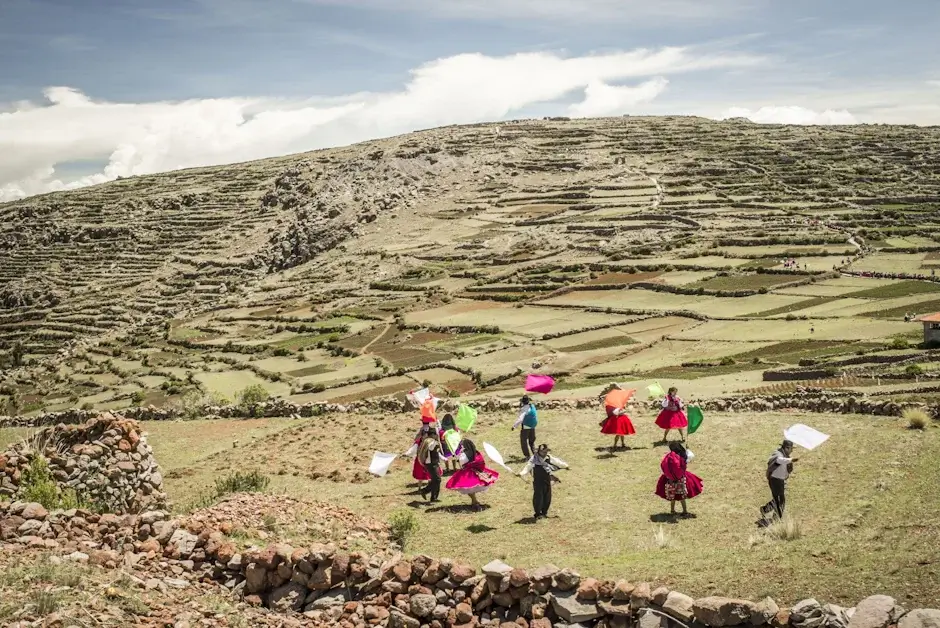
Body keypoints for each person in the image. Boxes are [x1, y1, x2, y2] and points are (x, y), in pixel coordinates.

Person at [445, 439, 499, 510]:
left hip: (467, 473)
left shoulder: (464, 454)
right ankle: (474, 501)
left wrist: (458, 456)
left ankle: (475, 502)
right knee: (470, 489)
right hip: (475, 471)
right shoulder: (475, 452)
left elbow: (461, 462)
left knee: (468, 488)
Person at [655, 441, 702, 517]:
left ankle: (672, 511)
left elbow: (663, 466)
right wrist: (688, 450)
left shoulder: (669, 457)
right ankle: (685, 511)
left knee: (672, 497)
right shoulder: (682, 456)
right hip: (680, 479)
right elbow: (690, 458)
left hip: (669, 480)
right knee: (682, 497)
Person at [525, 443, 562, 520]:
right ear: (539, 452)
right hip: (538, 481)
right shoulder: (534, 460)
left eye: (546, 452)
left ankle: (544, 512)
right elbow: (528, 467)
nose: (545, 454)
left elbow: (557, 461)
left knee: (547, 496)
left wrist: (565, 465)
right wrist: (521, 473)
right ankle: (538, 513)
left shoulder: (548, 457)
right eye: (543, 452)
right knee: (538, 496)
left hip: (546, 480)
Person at [764, 439, 797, 519]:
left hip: (780, 480)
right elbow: (779, 460)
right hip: (775, 480)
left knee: (777, 499)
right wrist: (791, 460)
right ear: (786, 448)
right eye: (791, 449)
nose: (792, 450)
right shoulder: (778, 454)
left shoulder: (785, 455)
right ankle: (777, 518)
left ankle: (765, 509)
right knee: (781, 500)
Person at [600, 385, 636, 450]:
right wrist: (625, 411)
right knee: (619, 433)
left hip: (621, 420)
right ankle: (615, 445)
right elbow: (616, 413)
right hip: (618, 420)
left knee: (621, 433)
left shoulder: (617, 405)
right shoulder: (614, 406)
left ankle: (622, 444)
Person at [417, 430, 442, 502]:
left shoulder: (428, 441)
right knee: (437, 480)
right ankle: (426, 492)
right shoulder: (431, 442)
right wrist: (438, 442)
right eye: (436, 434)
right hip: (431, 464)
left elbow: (436, 452)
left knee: (436, 480)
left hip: (432, 463)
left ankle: (433, 497)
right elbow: (432, 448)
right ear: (433, 435)